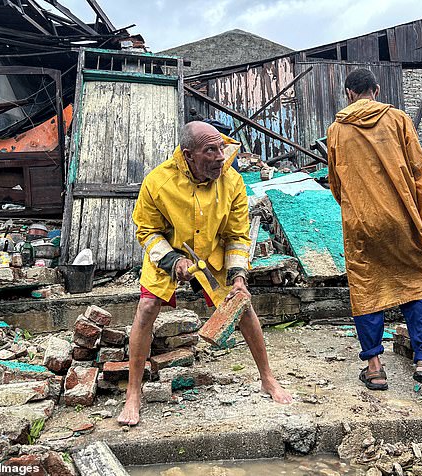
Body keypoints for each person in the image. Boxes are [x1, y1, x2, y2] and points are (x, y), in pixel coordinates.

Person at [117, 121, 292, 426]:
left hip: (211, 253)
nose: (221, 157)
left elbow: (237, 235)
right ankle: (133, 393)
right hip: (168, 251)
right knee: (146, 308)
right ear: (188, 155)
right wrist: (173, 262)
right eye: (210, 150)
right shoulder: (157, 182)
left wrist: (238, 278)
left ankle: (268, 378)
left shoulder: (233, 181)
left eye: (221, 148)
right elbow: (147, 231)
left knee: (243, 306)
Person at [326, 68, 422, 394]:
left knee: (366, 289)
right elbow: (419, 173)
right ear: (376, 89)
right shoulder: (399, 119)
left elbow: (336, 184)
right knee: (420, 282)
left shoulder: (336, 130)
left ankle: (374, 370)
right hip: (402, 219)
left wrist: (358, 211)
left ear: (348, 95)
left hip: (360, 224)